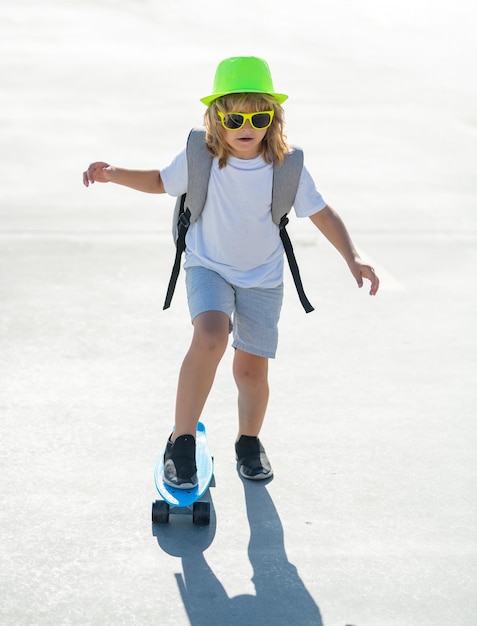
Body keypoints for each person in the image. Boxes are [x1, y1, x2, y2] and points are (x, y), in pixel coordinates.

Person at [83, 56, 379, 489]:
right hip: (208, 265)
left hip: (262, 278)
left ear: (272, 119)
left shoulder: (287, 165)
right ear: (216, 117)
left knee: (251, 372)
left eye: (259, 116)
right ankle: (180, 442)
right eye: (234, 116)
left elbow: (321, 213)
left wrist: (352, 256)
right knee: (209, 336)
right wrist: (113, 174)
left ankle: (248, 441)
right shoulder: (201, 156)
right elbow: (159, 181)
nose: (247, 126)